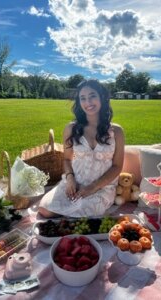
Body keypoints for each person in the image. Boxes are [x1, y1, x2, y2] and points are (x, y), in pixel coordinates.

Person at [38, 79, 124, 218]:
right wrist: (70, 179)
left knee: (85, 212)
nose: (88, 102)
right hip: (75, 182)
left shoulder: (117, 131)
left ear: (102, 97)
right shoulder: (71, 128)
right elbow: (67, 159)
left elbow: (117, 166)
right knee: (45, 209)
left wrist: (93, 187)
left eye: (92, 96)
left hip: (101, 186)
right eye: (83, 98)